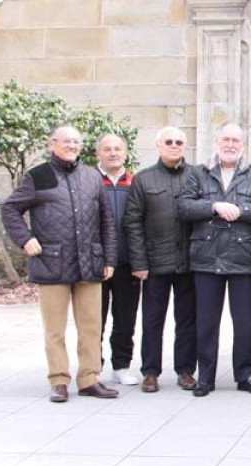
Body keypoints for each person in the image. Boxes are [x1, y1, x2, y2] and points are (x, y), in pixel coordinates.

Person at [1, 125, 119, 402]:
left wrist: (109, 258)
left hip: (89, 263)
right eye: (66, 141)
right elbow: (10, 209)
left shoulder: (91, 176)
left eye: (76, 142)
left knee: (91, 326)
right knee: (54, 329)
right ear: (52, 143)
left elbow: (106, 222)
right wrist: (25, 239)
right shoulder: (38, 176)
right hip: (52, 262)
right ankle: (59, 380)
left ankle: (90, 379)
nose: (72, 146)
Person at [178, 123, 251, 397]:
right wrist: (213, 206)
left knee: (245, 323)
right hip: (206, 259)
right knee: (206, 323)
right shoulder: (199, 174)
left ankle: (246, 375)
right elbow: (184, 206)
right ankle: (206, 377)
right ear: (217, 142)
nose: (230, 144)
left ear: (243, 145)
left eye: (236, 140)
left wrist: (241, 209)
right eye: (226, 139)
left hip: (243, 257)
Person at [124, 126, 198, 393]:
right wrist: (139, 262)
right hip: (155, 263)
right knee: (153, 320)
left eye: (179, 142)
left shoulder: (197, 176)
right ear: (158, 145)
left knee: (188, 320)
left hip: (189, 262)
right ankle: (151, 371)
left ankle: (186, 370)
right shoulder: (143, 179)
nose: (174, 145)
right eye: (169, 141)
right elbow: (133, 223)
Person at [96, 134, 140, 386]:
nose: (113, 153)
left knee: (125, 318)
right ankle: (93, 367)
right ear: (98, 154)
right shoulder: (89, 181)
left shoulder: (135, 182)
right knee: (95, 320)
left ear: (125, 153)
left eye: (118, 149)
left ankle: (121, 365)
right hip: (97, 264)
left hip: (128, 263)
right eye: (107, 149)